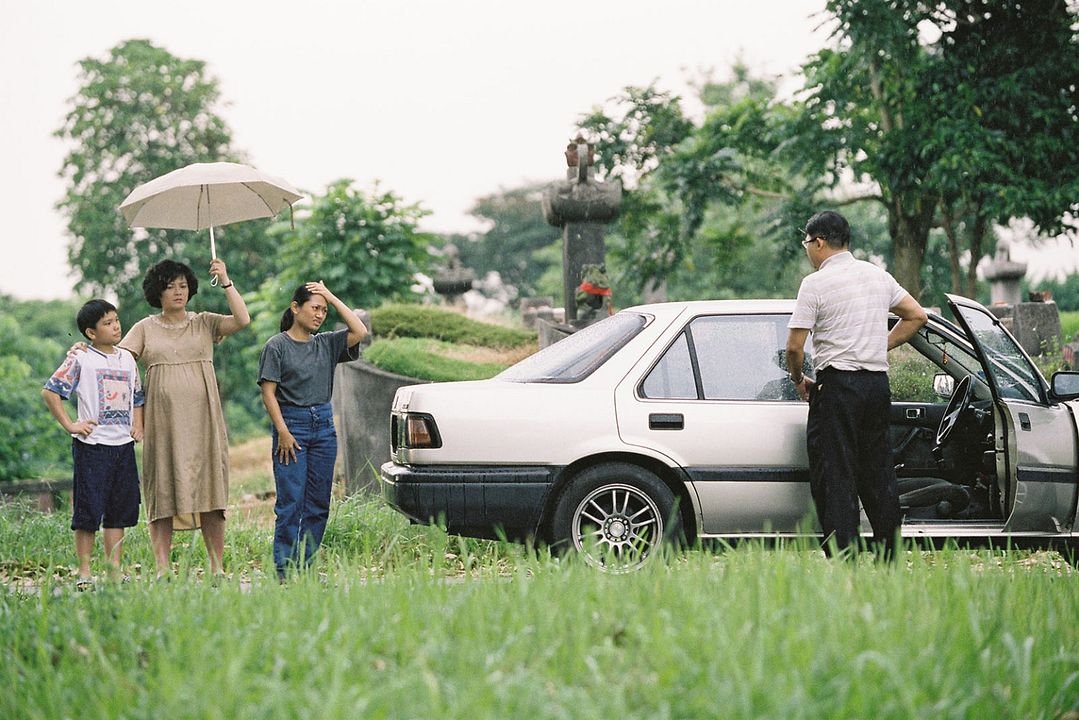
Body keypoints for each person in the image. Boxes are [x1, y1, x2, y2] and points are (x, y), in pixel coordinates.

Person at [785, 210, 928, 559]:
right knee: (879, 472)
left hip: (837, 387)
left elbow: (794, 348)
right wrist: (880, 345)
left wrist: (798, 379)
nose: (808, 249)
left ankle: (843, 557)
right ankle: (889, 555)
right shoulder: (878, 276)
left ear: (819, 242)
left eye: (807, 243)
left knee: (836, 472)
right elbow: (917, 316)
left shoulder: (815, 283)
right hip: (876, 386)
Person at [120, 258, 250, 578]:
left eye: (183, 286)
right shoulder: (144, 327)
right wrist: (85, 349)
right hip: (162, 422)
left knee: (211, 490)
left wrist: (226, 280)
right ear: (157, 292)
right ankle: (163, 569)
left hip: (204, 420)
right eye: (170, 286)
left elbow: (242, 319)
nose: (178, 292)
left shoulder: (204, 322)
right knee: (162, 489)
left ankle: (217, 568)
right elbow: (118, 360)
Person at [258, 282, 367, 580]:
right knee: (291, 501)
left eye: (324, 310)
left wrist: (331, 296)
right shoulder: (277, 346)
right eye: (314, 308)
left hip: (324, 427)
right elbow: (268, 392)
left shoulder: (327, 343)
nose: (320, 314)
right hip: (292, 426)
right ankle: (284, 570)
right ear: (295, 307)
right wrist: (282, 431)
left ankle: (305, 568)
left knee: (318, 503)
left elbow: (360, 331)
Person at [43, 299, 144, 589]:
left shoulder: (127, 359)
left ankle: (114, 571)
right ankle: (85, 572)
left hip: (123, 446)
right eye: (107, 323)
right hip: (92, 446)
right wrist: (71, 425)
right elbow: (51, 391)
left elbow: (137, 396)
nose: (116, 327)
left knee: (118, 511)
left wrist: (138, 425)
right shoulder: (81, 358)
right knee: (88, 510)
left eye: (116, 320)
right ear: (91, 332)